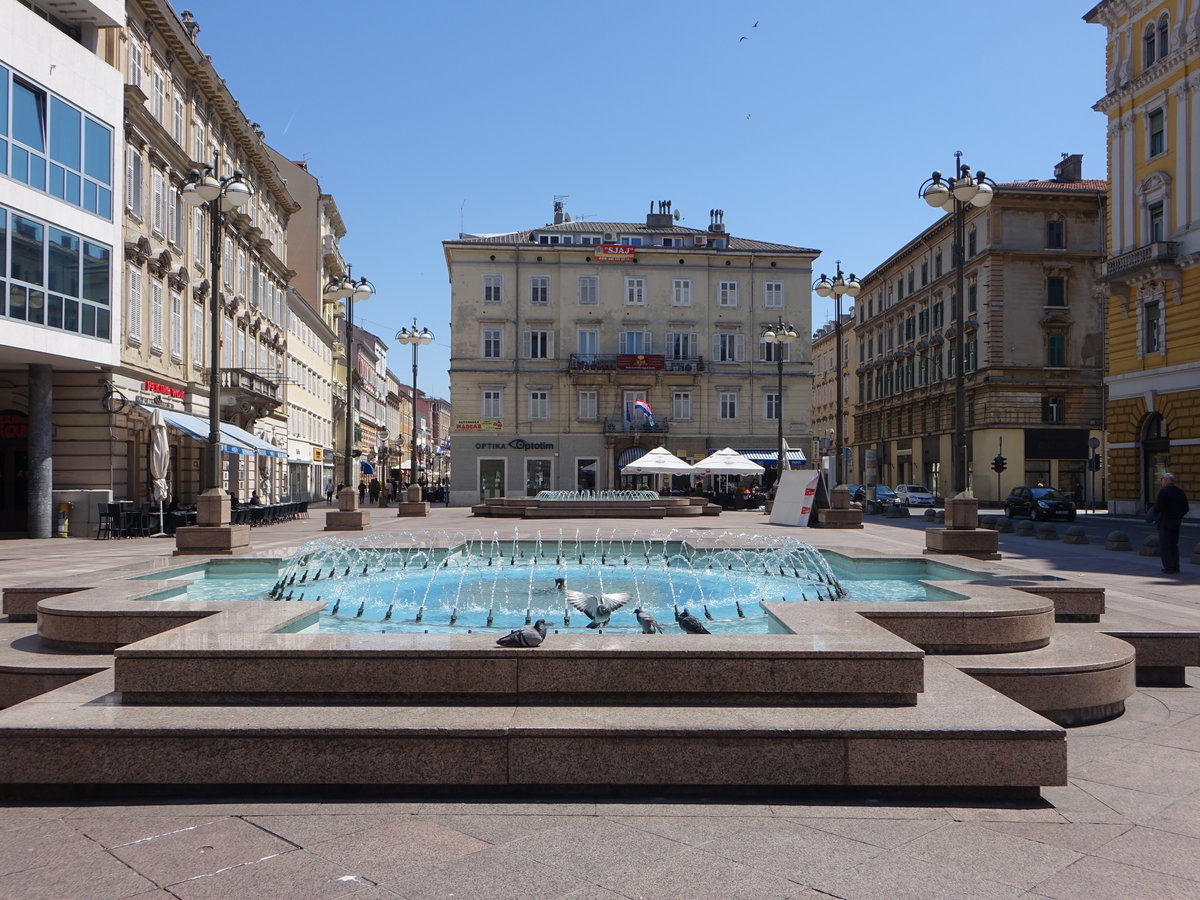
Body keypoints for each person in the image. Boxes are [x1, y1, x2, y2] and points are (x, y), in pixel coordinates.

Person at [1153, 473, 1190, 575]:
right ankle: (1176, 567)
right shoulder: (1180, 491)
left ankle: (1169, 568)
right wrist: (1178, 516)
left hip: (1165, 522)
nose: (1161, 481)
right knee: (1174, 545)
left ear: (1166, 480)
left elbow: (1159, 507)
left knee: (1165, 546)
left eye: (1162, 479)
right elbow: (1186, 508)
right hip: (1176, 522)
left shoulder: (1164, 491)